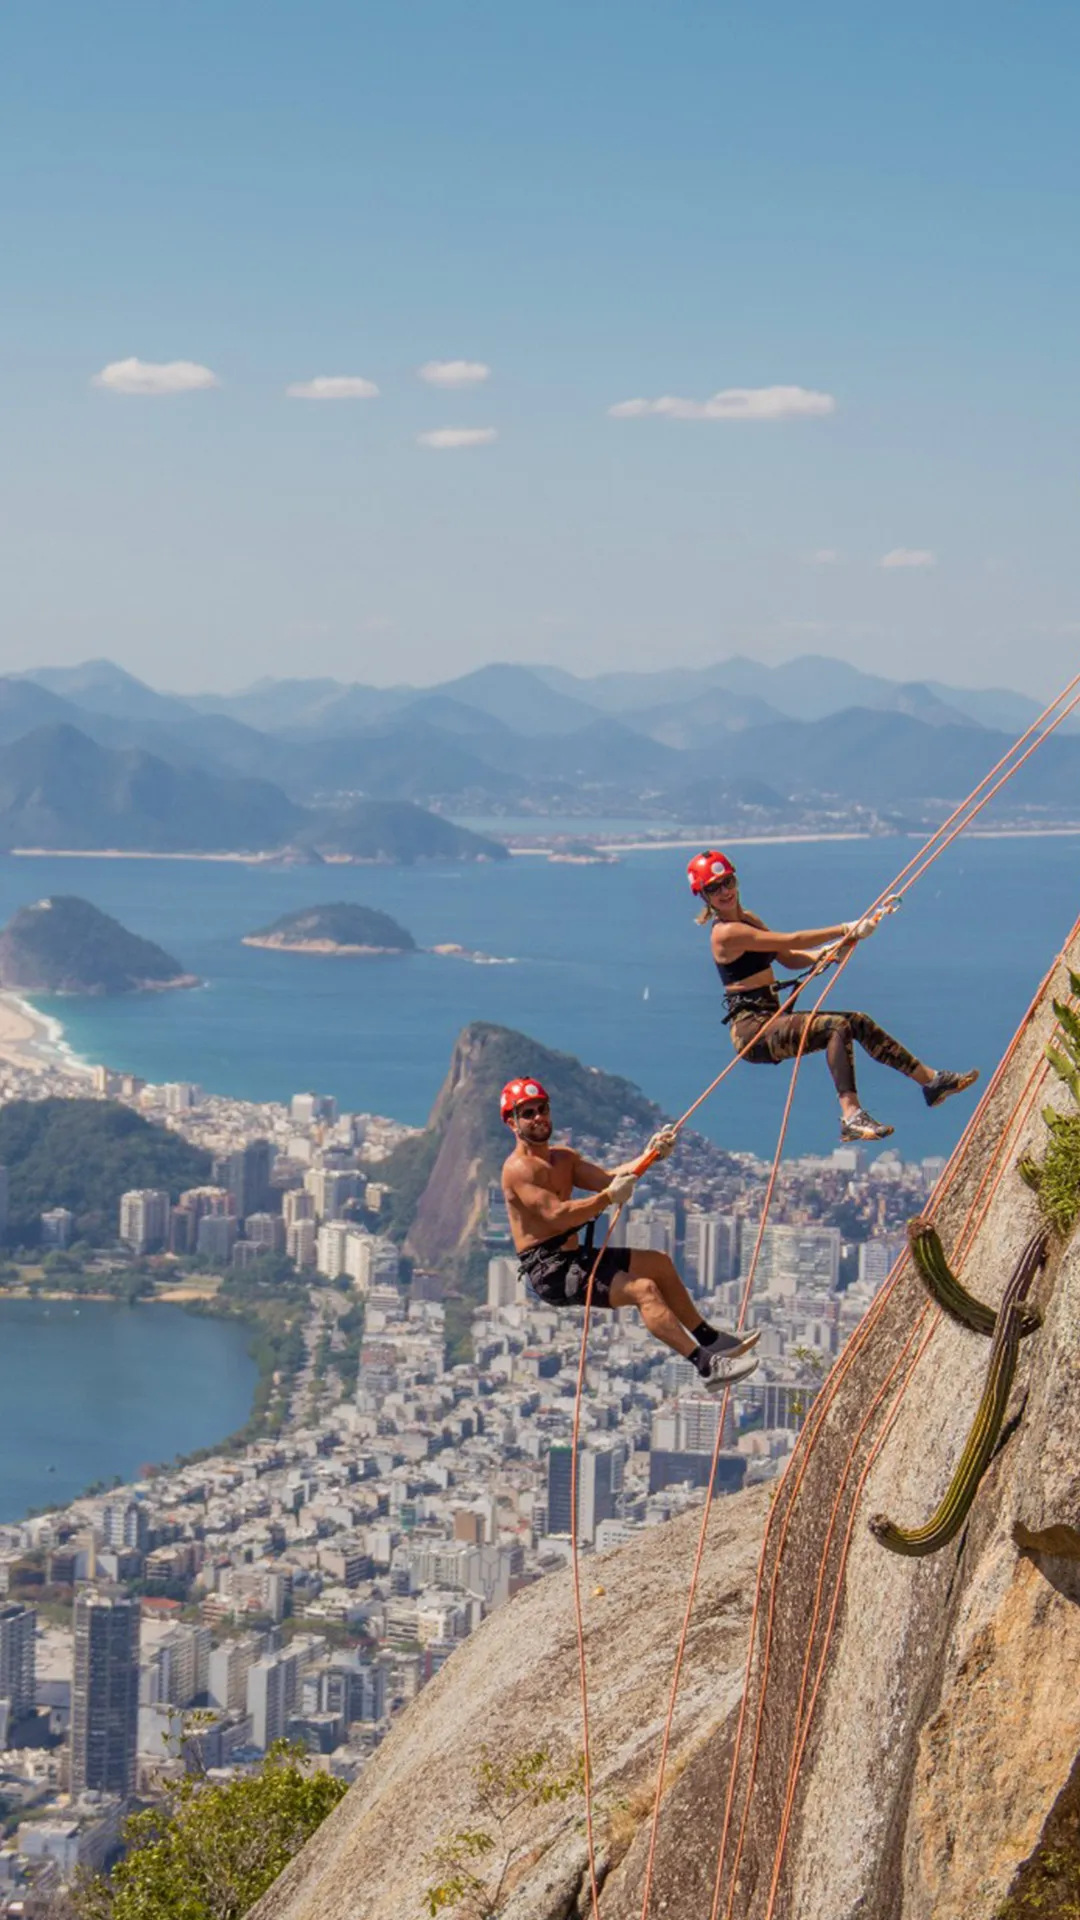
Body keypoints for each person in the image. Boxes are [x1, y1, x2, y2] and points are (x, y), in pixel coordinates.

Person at [687, 849, 979, 1143]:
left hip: (770, 1018)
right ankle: (852, 1116)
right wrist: (843, 929)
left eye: (727, 882)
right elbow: (792, 940)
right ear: (705, 897)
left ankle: (931, 1081)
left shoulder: (749, 920)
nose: (724, 891)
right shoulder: (725, 934)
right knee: (835, 1027)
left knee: (858, 1022)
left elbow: (787, 957)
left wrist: (823, 955)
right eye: (714, 888)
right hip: (753, 1030)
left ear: (735, 881)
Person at [499, 1075, 760, 1392]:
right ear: (512, 1124)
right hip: (551, 1272)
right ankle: (708, 1367)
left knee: (659, 1264)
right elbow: (556, 1215)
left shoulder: (564, 1158)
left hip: (572, 1257)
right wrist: (607, 1198)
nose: (538, 1117)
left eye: (542, 1109)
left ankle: (710, 1338)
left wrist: (651, 1154)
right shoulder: (517, 1170)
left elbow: (610, 1178)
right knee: (644, 1290)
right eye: (528, 1113)